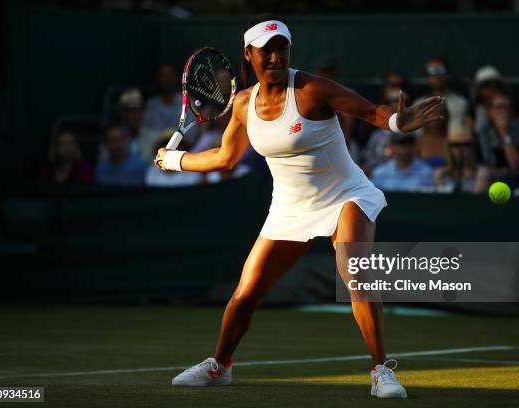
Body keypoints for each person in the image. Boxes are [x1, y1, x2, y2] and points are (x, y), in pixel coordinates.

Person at [155, 15, 443, 399]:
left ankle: (381, 370)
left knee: (354, 271)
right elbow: (225, 158)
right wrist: (173, 161)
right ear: (249, 55)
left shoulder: (312, 88)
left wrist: (395, 121)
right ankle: (220, 366)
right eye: (267, 51)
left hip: (347, 195)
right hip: (289, 209)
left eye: (282, 49)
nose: (276, 57)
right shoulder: (242, 104)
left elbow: (370, 112)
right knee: (244, 297)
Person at [361, 72, 409, 176]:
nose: (396, 105)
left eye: (399, 101)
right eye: (392, 101)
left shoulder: (414, 133)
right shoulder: (377, 135)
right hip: (380, 180)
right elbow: (368, 162)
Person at [476, 93, 519, 183]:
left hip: (516, 180)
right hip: (488, 180)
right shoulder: (482, 133)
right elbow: (481, 166)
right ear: (489, 112)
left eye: (506, 107)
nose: (503, 111)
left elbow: (517, 166)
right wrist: (505, 171)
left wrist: (504, 133)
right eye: (498, 107)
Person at [433, 125, 489, 194]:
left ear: (472, 148)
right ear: (449, 148)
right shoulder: (440, 173)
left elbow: (475, 199)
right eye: (456, 145)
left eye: (466, 145)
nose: (461, 149)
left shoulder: (480, 172)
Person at [142, 64, 183, 135]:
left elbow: (191, 135)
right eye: (163, 75)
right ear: (157, 79)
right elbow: (146, 132)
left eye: (170, 75)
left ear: (176, 77)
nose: (168, 79)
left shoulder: (187, 103)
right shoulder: (150, 105)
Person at [472, 66, 507, 133]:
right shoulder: (473, 111)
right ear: (478, 89)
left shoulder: (511, 110)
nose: (492, 88)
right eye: (487, 85)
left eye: (496, 84)